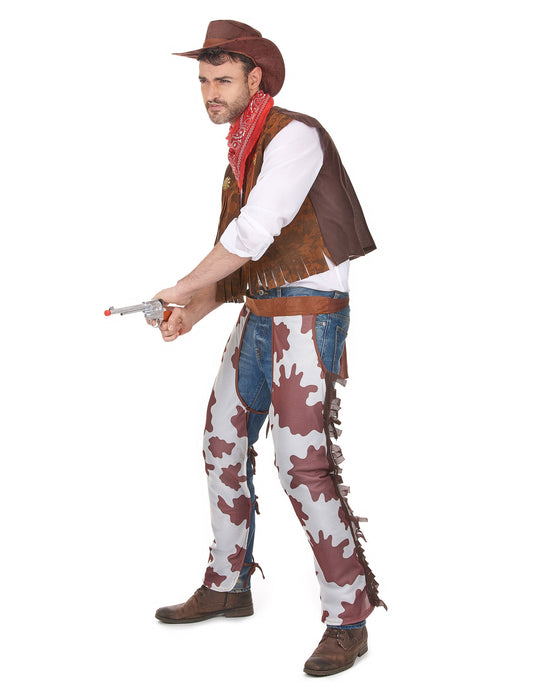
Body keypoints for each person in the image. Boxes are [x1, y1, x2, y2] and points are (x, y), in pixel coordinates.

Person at [152, 20, 386, 677]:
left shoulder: (295, 135)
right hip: (259, 314)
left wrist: (179, 285)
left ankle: (348, 618)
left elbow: (254, 233)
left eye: (222, 79)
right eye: (203, 80)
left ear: (255, 79)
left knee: (302, 465)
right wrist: (191, 312)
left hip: (307, 320)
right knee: (220, 441)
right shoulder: (243, 144)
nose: (210, 92)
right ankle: (228, 582)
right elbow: (241, 259)